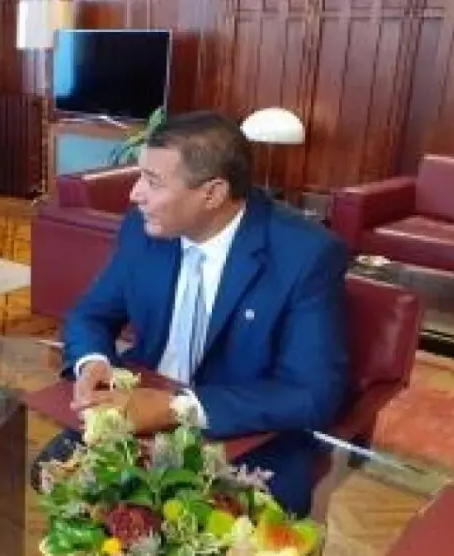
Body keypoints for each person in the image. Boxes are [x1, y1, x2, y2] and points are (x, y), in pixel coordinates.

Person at [57, 110, 349, 516]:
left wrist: (175, 408)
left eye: (153, 182)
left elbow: (311, 392)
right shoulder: (144, 228)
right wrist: (94, 363)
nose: (135, 194)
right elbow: (91, 314)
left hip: (244, 434)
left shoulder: (306, 255)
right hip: (136, 413)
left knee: (197, 527)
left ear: (212, 194)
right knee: (56, 477)